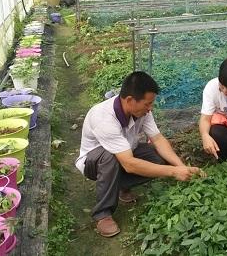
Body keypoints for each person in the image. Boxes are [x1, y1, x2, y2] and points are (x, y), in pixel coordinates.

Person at [75, 71, 201, 237]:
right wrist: (173, 172)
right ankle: (103, 214)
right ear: (129, 100)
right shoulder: (103, 117)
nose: (150, 108)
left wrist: (182, 167)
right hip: (94, 163)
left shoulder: (142, 112)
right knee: (111, 157)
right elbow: (129, 164)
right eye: (147, 104)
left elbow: (158, 139)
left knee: (157, 157)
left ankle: (121, 187)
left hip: (126, 153)